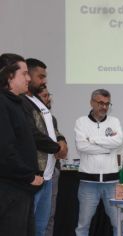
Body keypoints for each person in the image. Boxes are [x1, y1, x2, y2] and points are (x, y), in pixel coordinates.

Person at [21, 58, 68, 236]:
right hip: (34, 175)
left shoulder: (38, 102)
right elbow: (33, 134)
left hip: (47, 176)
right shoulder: (22, 102)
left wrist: (61, 140)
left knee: (41, 227)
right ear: (28, 74)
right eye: (40, 77)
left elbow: (52, 128)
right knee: (28, 227)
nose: (43, 81)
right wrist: (57, 148)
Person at [0, 53, 43, 235]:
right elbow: (5, 151)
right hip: (11, 190)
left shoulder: (17, 103)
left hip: (21, 189)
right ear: (10, 76)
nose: (28, 78)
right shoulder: (2, 103)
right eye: (24, 73)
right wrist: (29, 176)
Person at [75, 89, 123, 236]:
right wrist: (107, 148)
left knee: (118, 224)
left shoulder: (114, 121)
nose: (104, 107)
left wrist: (93, 139)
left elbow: (118, 141)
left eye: (107, 104)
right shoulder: (81, 122)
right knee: (83, 226)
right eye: (100, 103)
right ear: (92, 103)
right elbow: (81, 146)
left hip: (111, 182)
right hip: (88, 182)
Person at [36, 86, 61, 236]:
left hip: (53, 172)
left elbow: (57, 137)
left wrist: (62, 140)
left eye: (48, 95)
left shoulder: (52, 118)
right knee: (35, 218)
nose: (48, 98)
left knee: (49, 216)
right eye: (45, 96)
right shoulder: (30, 116)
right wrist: (58, 147)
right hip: (37, 172)